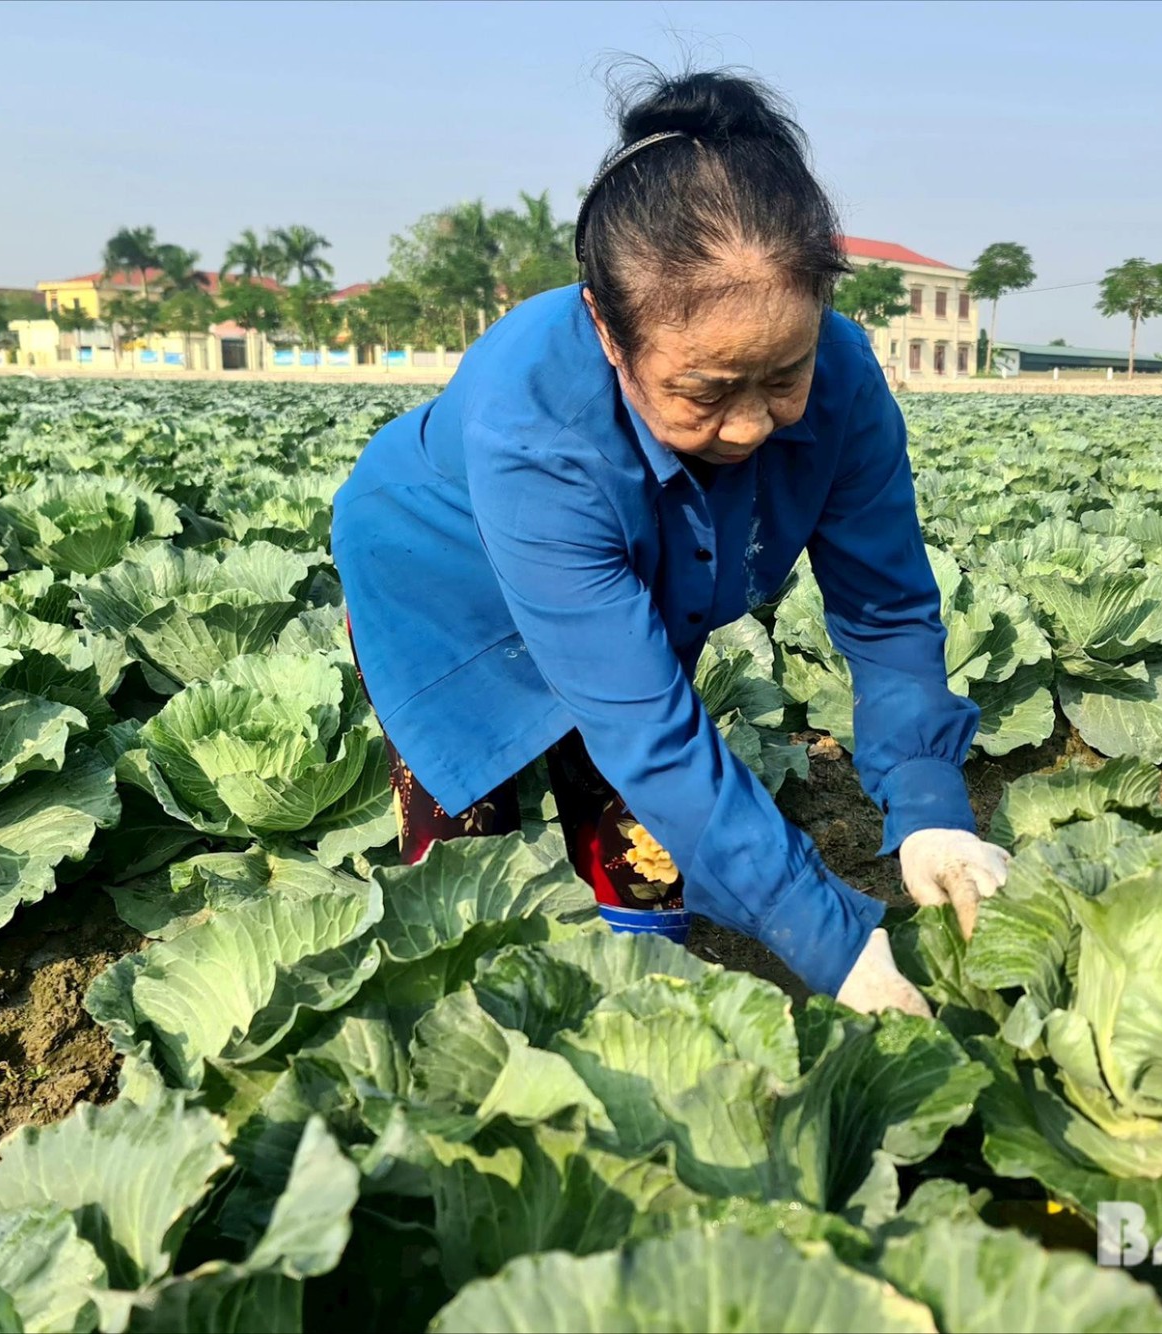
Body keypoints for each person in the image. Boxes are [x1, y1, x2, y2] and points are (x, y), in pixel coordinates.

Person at [331, 67, 1008, 1017]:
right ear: (609, 331)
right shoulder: (538, 426)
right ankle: (466, 1043)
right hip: (441, 576)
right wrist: (831, 938)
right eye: (705, 391)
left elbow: (887, 607)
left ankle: (641, 1001)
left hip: (610, 575)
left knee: (636, 844)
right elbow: (644, 726)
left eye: (784, 373)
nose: (751, 427)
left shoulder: (848, 381)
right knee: (467, 849)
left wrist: (929, 807)